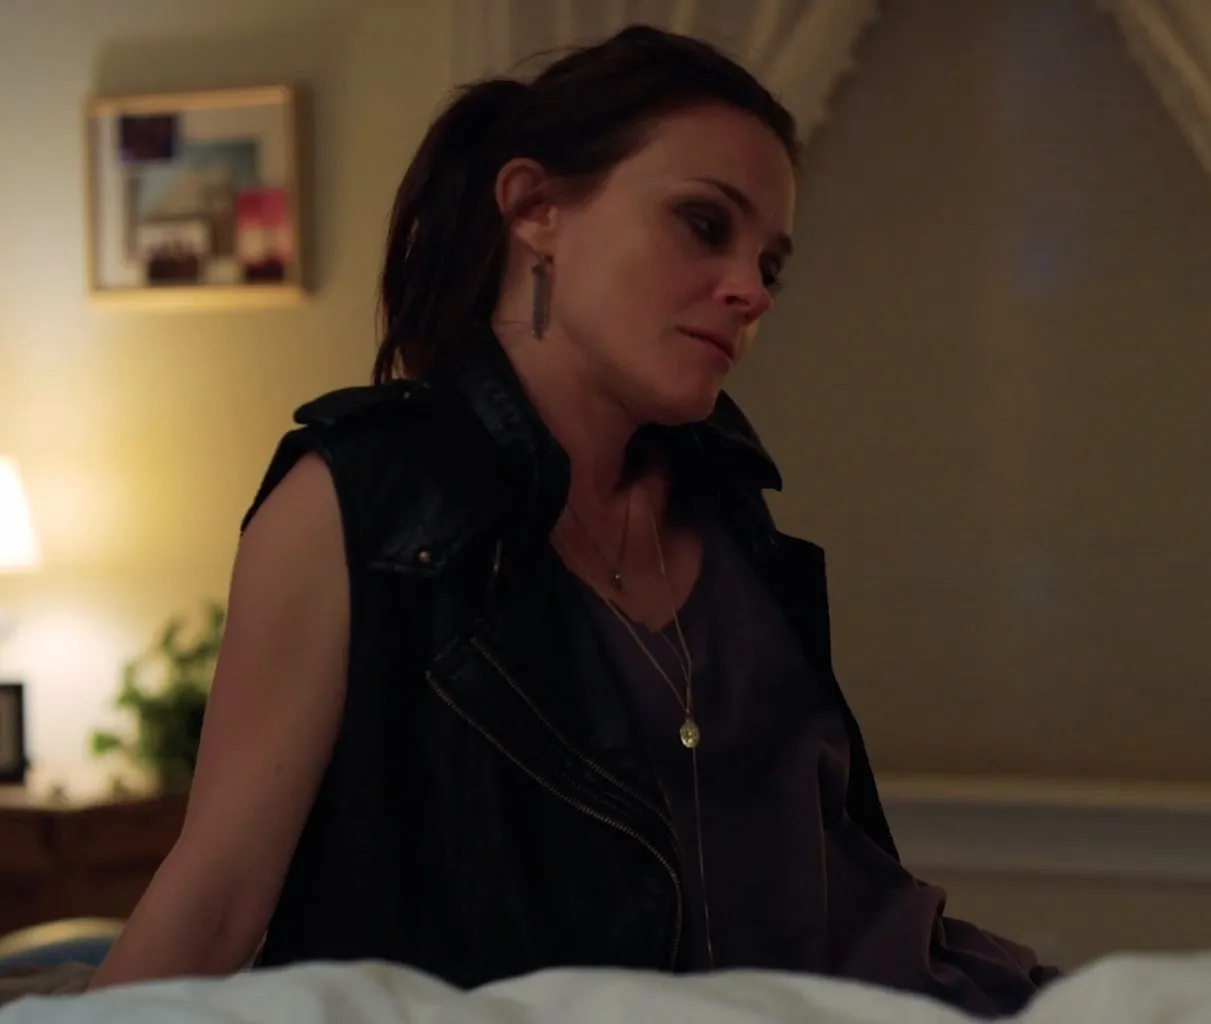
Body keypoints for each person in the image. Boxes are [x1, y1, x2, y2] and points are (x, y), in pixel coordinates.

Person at [88, 25, 1058, 1019]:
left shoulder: (741, 525)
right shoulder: (364, 504)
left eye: (771, 265)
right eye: (703, 224)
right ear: (535, 208)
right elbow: (215, 899)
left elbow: (839, 880)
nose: (750, 291)